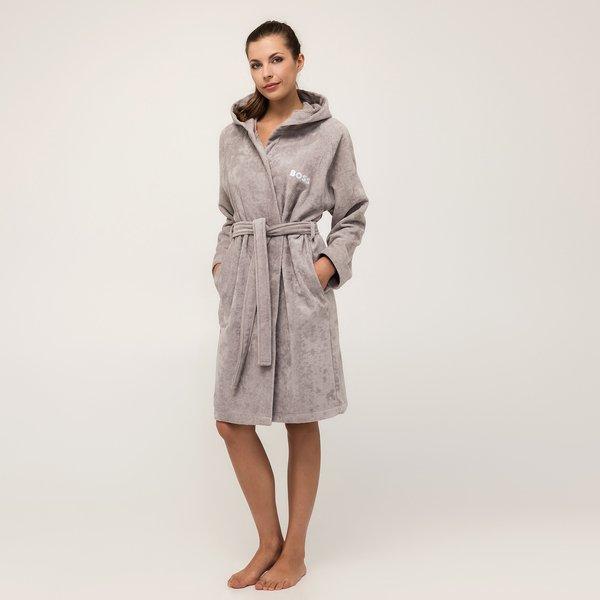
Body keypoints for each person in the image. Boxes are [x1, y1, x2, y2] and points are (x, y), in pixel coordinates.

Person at [210, 20, 369, 591]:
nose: (266, 72)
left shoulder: (329, 134)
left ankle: (295, 551)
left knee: (302, 419)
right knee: (231, 421)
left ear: (300, 61)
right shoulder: (234, 136)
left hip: (300, 286)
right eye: (256, 63)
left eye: (276, 59)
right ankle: (268, 542)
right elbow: (229, 213)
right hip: (247, 285)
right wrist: (223, 266)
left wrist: (322, 268)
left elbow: (352, 213)